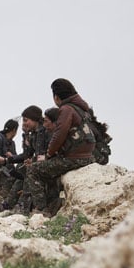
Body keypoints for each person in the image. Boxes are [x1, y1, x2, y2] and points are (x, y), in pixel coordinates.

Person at [27, 78, 96, 216]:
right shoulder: (82, 109)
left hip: (73, 158)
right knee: (50, 170)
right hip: (88, 157)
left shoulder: (66, 109)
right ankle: (54, 206)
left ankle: (41, 210)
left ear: (56, 97)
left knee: (33, 170)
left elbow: (59, 134)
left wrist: (49, 154)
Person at [0, 106, 49, 213]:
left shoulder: (45, 131)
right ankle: (8, 205)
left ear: (34, 119)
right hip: (39, 163)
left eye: (26, 120)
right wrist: (6, 160)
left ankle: (36, 208)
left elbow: (45, 153)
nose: (24, 124)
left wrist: (33, 161)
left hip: (48, 161)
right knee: (21, 169)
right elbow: (26, 154)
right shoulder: (34, 134)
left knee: (30, 170)